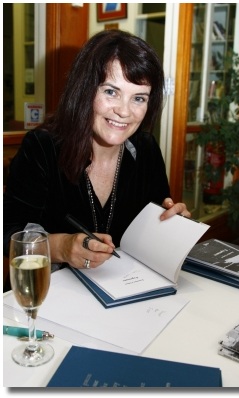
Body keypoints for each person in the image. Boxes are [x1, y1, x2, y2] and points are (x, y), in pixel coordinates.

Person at [3, 29, 190, 272]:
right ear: (85, 91)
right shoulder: (42, 147)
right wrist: (61, 246)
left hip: (127, 289)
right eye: (111, 92)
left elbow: (151, 234)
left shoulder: (146, 149)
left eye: (139, 98)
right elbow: (7, 235)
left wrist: (173, 225)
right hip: (56, 293)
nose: (124, 111)